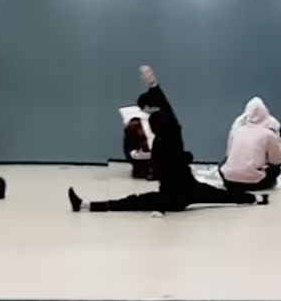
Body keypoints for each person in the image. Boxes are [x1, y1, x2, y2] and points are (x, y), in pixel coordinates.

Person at [68, 66, 268, 214]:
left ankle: (86, 205)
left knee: (132, 202)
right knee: (222, 196)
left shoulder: (162, 140)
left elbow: (162, 169)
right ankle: (258, 198)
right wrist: (153, 84)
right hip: (188, 188)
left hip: (172, 197)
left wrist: (160, 206)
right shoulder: (172, 131)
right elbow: (166, 108)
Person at [219, 97, 281, 192]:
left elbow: (229, 155)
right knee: (275, 169)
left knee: (223, 163)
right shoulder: (268, 134)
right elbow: (278, 160)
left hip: (230, 183)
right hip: (255, 184)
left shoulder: (237, 131)